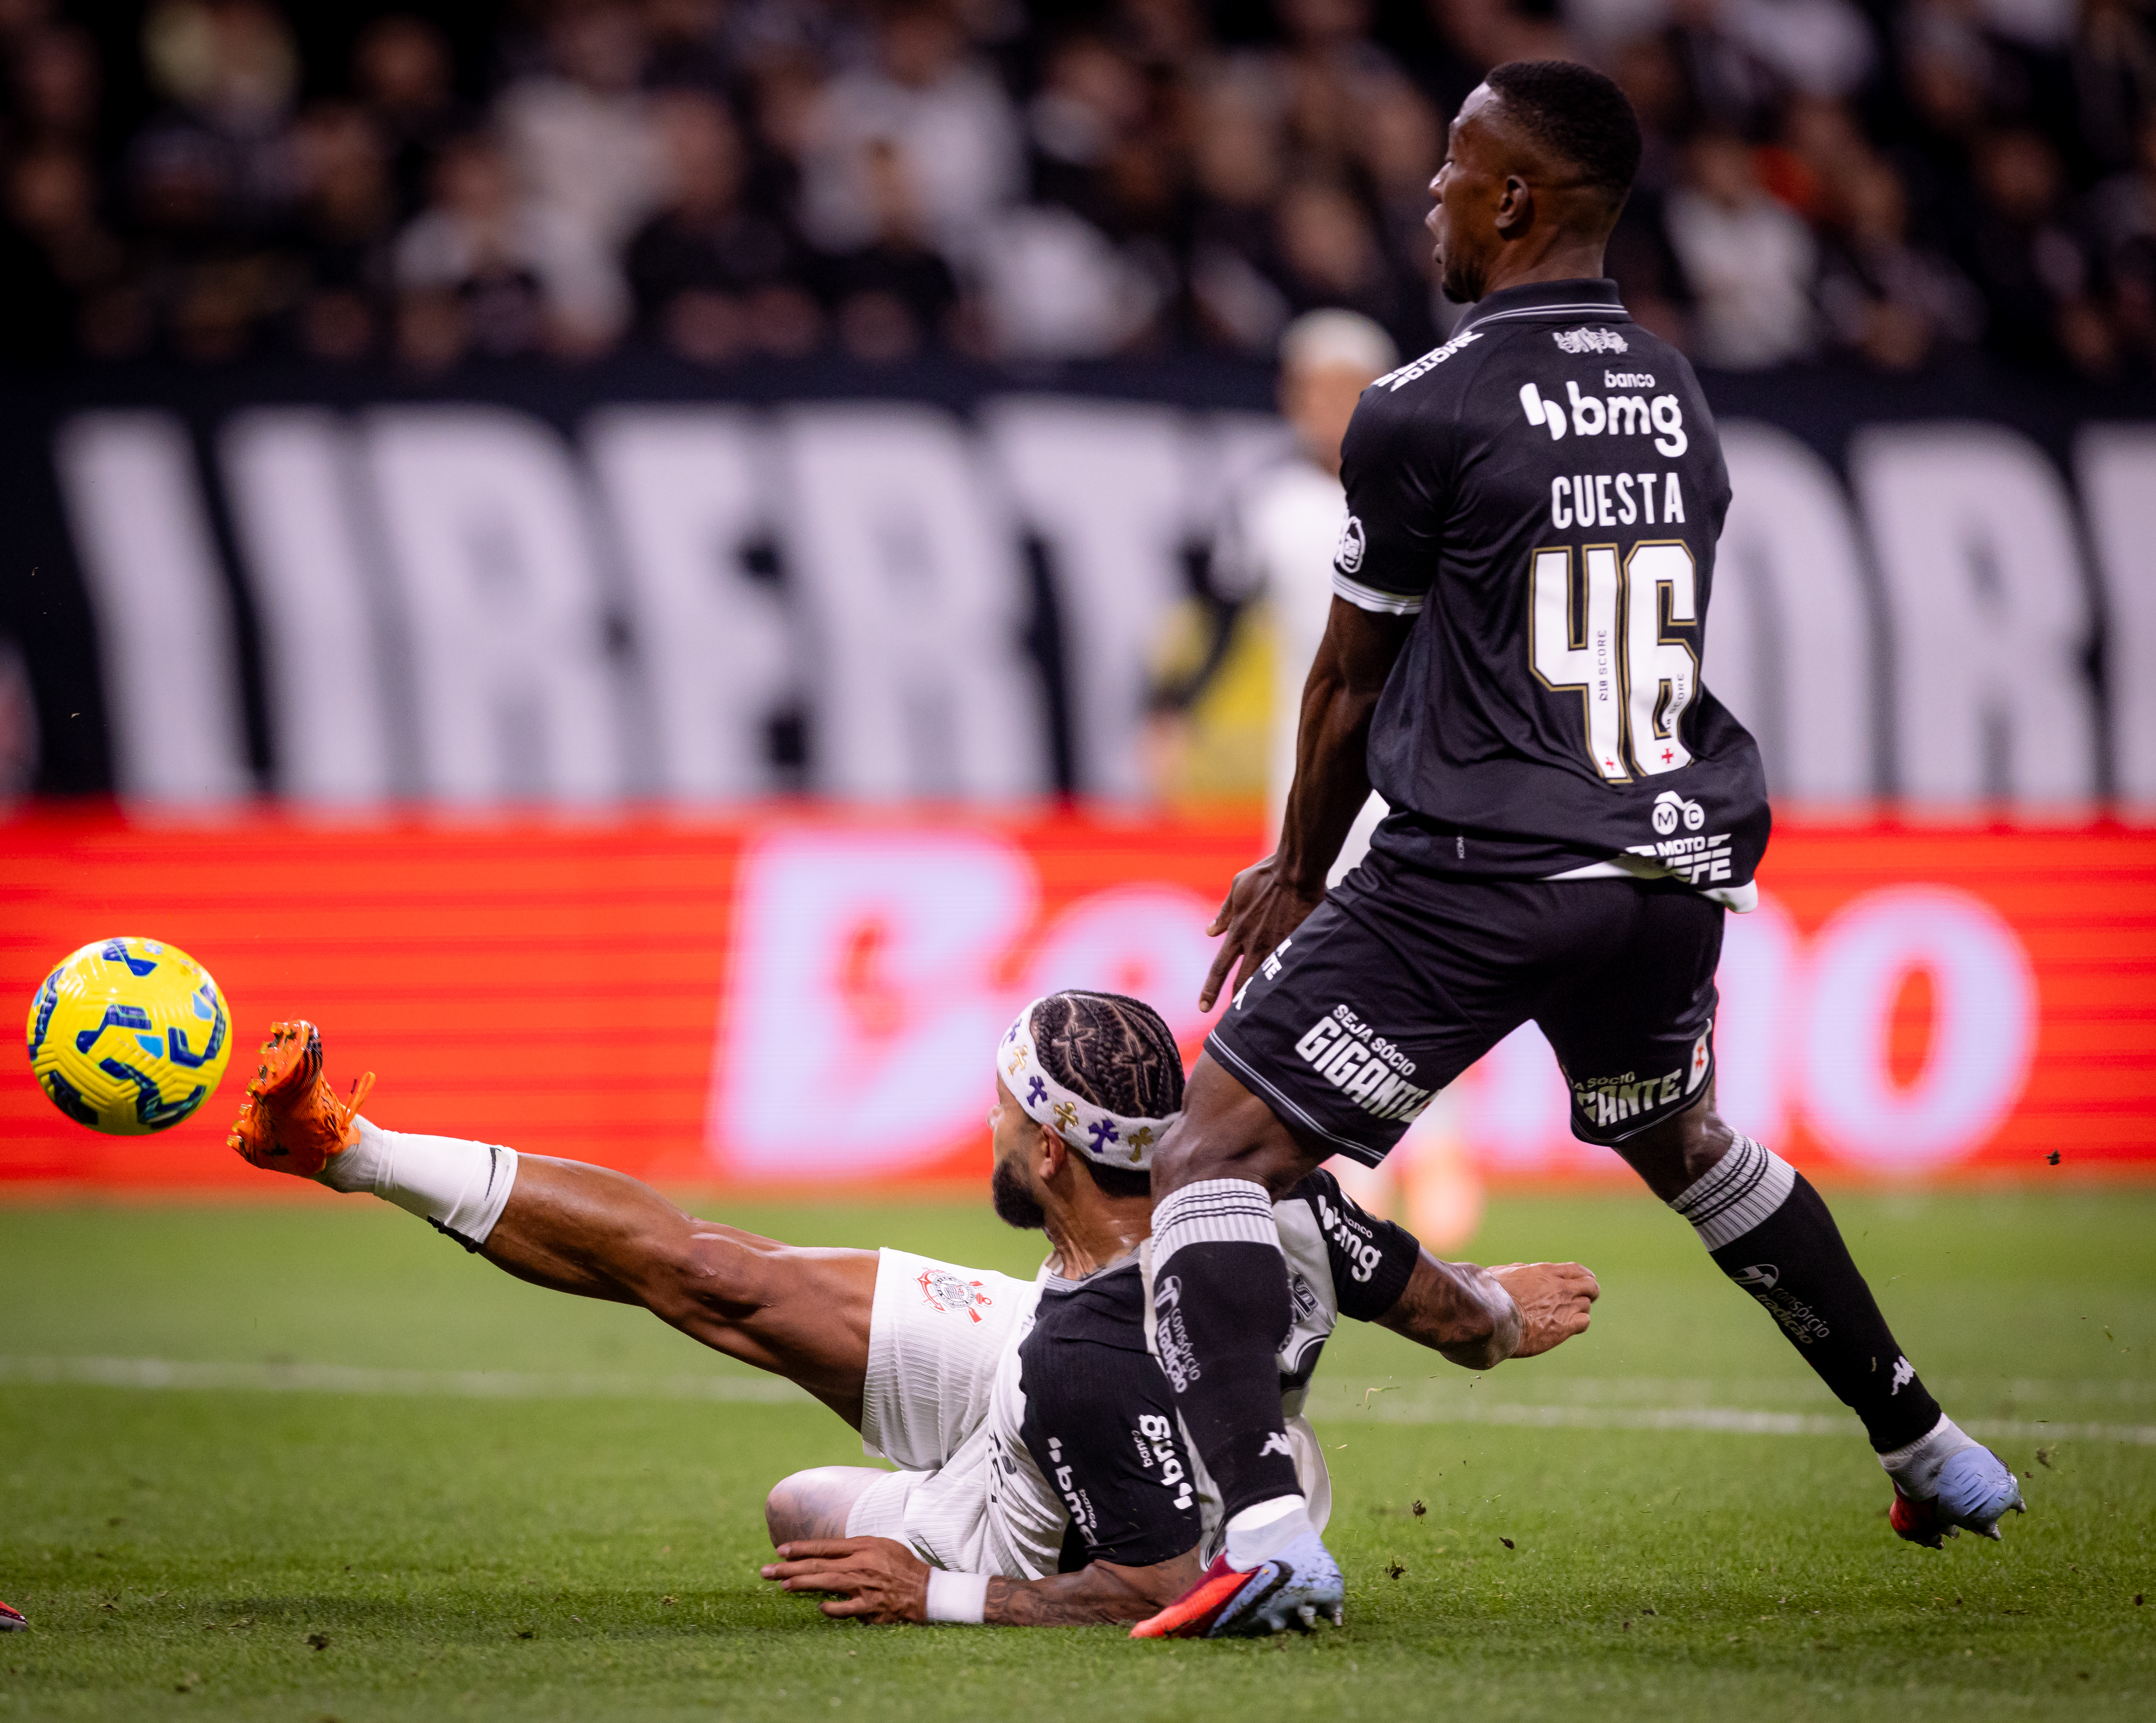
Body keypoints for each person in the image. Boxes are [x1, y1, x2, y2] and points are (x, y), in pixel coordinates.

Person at [1133, 58, 2026, 1642]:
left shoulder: (1422, 406)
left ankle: (1265, 1529)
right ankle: (1928, 1441)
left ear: (1518, 199)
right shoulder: (1676, 389)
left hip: (1483, 864)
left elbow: (1351, 682)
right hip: (1667, 864)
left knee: (1210, 1152)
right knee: (1683, 1140)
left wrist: (1297, 871)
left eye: (1455, 172)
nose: (1432, 196)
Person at [225, 993, 1595, 1628]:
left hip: (1036, 1485)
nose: (989, 1124)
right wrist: (1503, 1313)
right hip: (1071, 1348)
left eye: (1004, 1108)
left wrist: (949, 1595)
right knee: (723, 1275)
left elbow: (1174, 1587)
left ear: (1050, 1152)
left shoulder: (1083, 1365)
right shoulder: (1270, 1199)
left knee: (800, 1508)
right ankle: (347, 1145)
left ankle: (925, 1526)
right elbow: (1440, 1308)